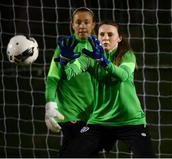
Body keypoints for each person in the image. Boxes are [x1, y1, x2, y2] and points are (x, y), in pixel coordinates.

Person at [61, 21, 156, 158]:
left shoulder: (127, 55)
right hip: (100, 121)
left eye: (110, 34)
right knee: (70, 154)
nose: (105, 37)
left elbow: (122, 75)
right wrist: (64, 61)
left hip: (130, 120)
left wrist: (103, 61)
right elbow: (67, 74)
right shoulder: (89, 57)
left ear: (119, 38)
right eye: (102, 34)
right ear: (97, 37)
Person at [45, 7, 96, 156]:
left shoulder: (98, 47)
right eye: (78, 22)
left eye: (86, 22)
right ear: (72, 25)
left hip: (93, 113)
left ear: (93, 25)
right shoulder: (64, 46)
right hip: (71, 112)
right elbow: (53, 78)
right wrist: (50, 104)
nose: (82, 26)